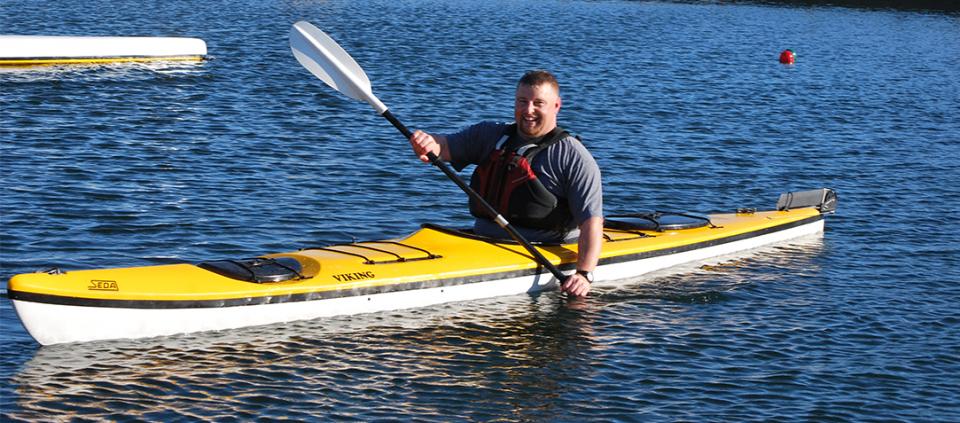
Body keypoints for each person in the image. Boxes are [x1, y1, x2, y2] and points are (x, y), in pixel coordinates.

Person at [408, 70, 602, 297]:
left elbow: (591, 222)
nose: (528, 110)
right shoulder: (489, 135)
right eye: (522, 101)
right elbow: (446, 146)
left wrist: (584, 273)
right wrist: (430, 143)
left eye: (538, 103)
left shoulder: (574, 157)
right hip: (481, 242)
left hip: (540, 248)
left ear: (556, 106)